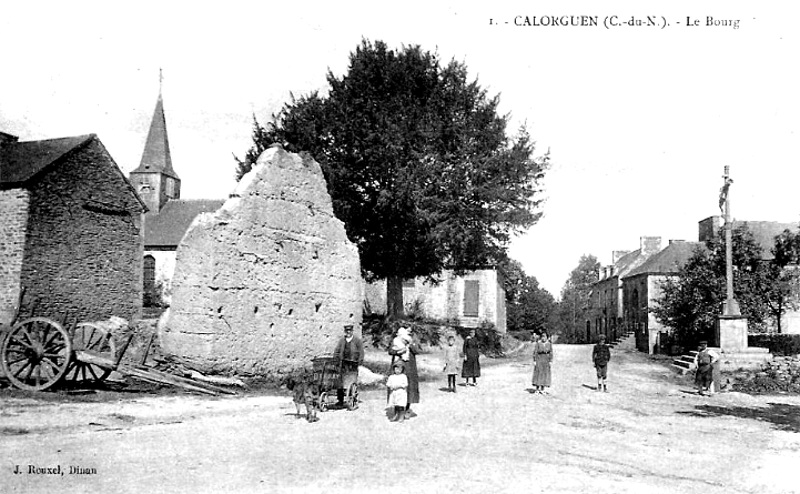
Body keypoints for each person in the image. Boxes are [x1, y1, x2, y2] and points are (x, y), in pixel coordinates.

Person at [389, 326, 420, 418]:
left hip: (410, 366)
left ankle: (407, 409)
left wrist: (410, 344)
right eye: (407, 330)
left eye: (410, 331)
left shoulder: (412, 340)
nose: (408, 332)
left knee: (409, 386)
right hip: (399, 365)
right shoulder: (396, 340)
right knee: (397, 387)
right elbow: (390, 351)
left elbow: (417, 351)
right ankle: (396, 410)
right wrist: (398, 352)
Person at [333, 324, 364, 410]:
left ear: (352, 331)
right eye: (346, 331)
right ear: (345, 332)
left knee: (352, 380)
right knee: (340, 381)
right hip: (343, 363)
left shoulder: (357, 340)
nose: (348, 332)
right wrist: (335, 358)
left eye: (349, 331)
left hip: (353, 363)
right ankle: (340, 400)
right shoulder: (342, 341)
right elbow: (337, 350)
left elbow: (361, 351)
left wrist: (360, 360)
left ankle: (352, 398)